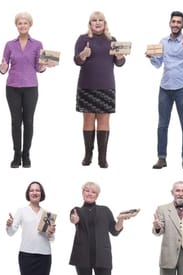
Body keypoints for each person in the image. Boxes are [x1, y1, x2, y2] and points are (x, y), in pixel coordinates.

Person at [0, 13, 53, 169]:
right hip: (12, 87)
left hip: (30, 87)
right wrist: (2, 69)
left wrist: (43, 67)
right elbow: (4, 66)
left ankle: (26, 155)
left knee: (28, 121)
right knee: (16, 122)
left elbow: (38, 67)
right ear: (16, 26)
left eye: (25, 23)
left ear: (30, 25)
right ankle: (16, 155)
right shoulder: (9, 44)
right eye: (20, 23)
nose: (22, 25)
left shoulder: (37, 44)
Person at [149, 11, 183, 170]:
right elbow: (158, 64)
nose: (176, 24)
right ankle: (161, 158)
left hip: (182, 88)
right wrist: (151, 57)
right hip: (165, 88)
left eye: (179, 22)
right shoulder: (162, 41)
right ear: (170, 23)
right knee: (162, 125)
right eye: (173, 22)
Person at [74, 11, 125, 168]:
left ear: (105, 23)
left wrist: (119, 57)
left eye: (100, 20)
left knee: (104, 121)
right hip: (87, 85)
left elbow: (120, 63)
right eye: (94, 20)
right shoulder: (83, 39)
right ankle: (88, 155)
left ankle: (102, 158)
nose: (97, 23)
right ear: (90, 24)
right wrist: (83, 54)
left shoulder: (112, 40)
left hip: (106, 85)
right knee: (88, 119)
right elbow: (77, 61)